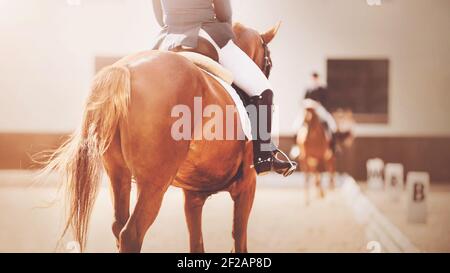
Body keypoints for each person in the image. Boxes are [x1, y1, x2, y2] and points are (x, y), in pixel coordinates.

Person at [151, 0, 296, 176]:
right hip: (206, 34)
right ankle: (264, 157)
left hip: (168, 40)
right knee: (263, 88)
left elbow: (160, 18)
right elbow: (224, 13)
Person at [304, 72, 340, 152]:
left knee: (331, 123)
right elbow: (303, 100)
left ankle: (333, 146)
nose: (314, 80)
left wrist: (318, 104)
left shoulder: (322, 89)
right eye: (313, 79)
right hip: (309, 110)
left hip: (319, 109)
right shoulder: (308, 89)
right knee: (297, 124)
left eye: (315, 78)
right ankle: (296, 146)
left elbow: (326, 101)